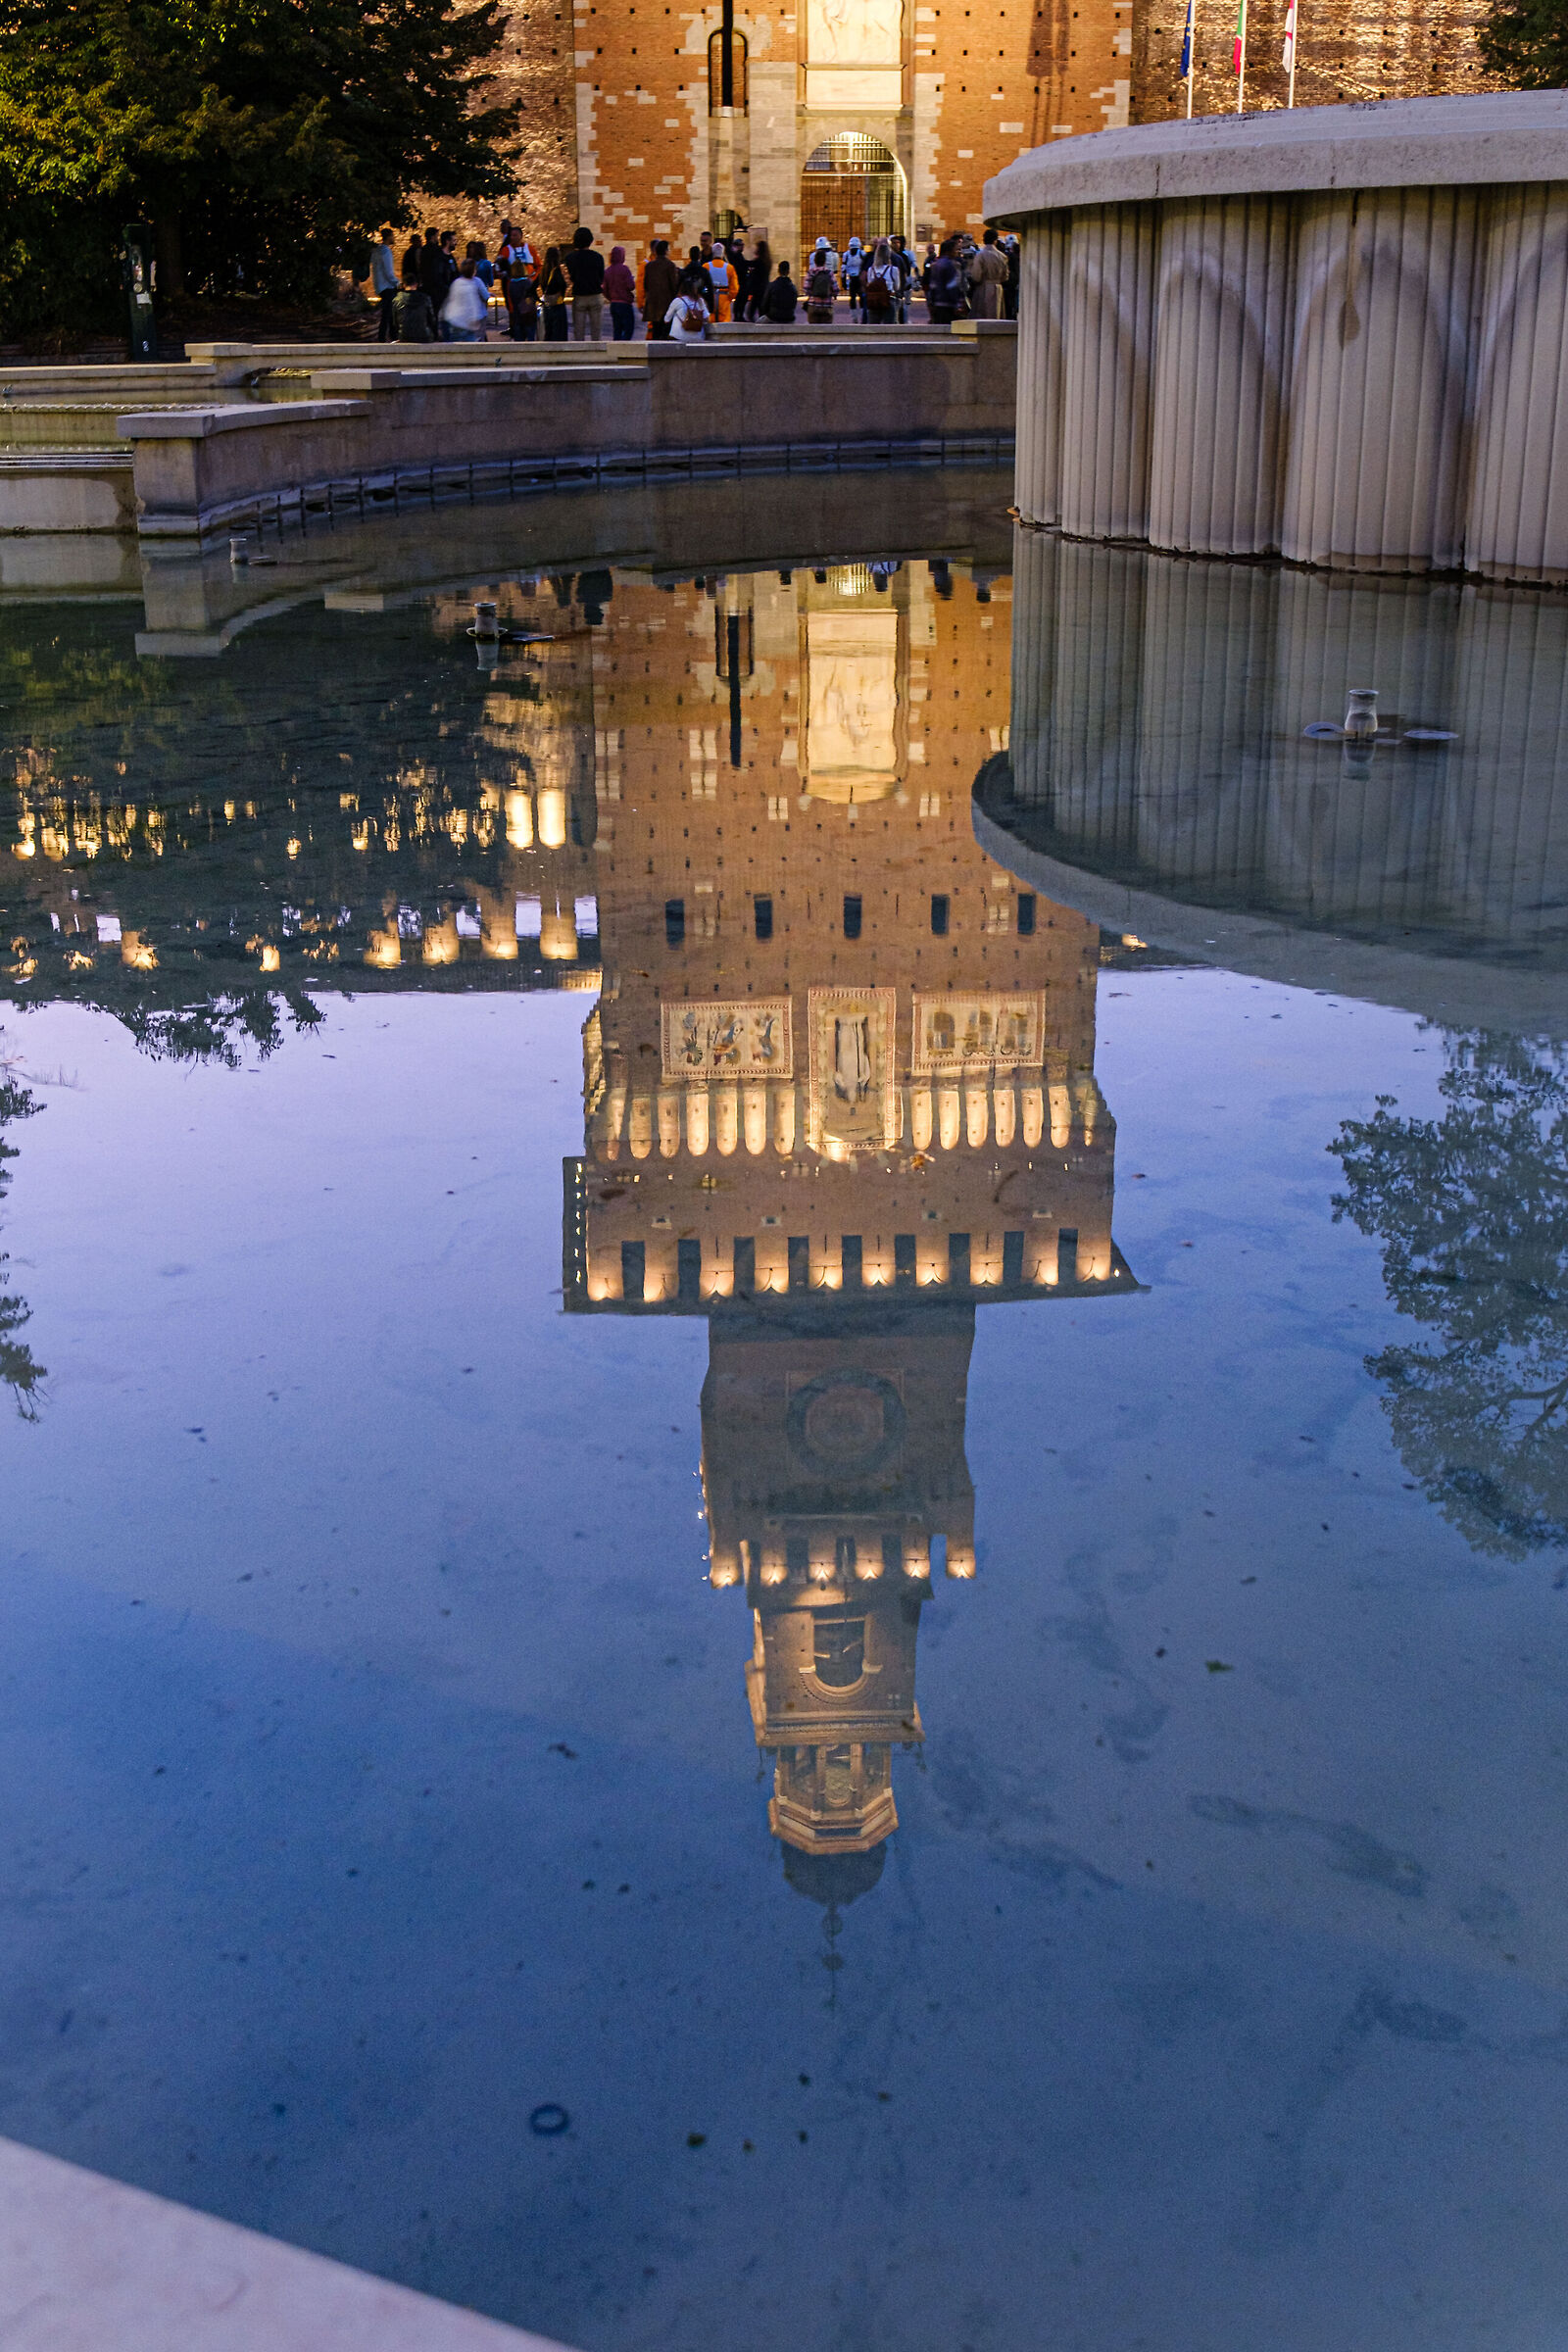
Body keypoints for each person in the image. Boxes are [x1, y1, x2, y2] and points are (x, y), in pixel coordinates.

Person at [564, 225, 607, 339]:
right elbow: (601, 276)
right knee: (596, 331)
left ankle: (580, 354)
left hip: (579, 294)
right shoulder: (598, 257)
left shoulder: (570, 258)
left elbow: (571, 277)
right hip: (595, 294)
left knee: (578, 331)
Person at [440, 258, 490, 342]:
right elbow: (477, 301)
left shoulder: (456, 282)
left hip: (455, 320)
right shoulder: (476, 282)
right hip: (468, 323)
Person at [639, 239, 681, 339]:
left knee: (655, 332)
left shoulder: (649, 266)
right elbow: (674, 285)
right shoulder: (670, 265)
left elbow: (645, 285)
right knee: (666, 332)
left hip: (653, 304)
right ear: (666, 251)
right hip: (667, 304)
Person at [967, 226, 1009, 319]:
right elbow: (1005, 277)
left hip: (983, 288)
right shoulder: (1002, 256)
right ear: (995, 240)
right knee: (996, 316)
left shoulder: (980, 255)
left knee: (983, 316)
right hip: (998, 287)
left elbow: (977, 276)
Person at [927, 236, 965, 324]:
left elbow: (932, 285)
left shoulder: (935, 264)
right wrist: (958, 303)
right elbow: (951, 285)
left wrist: (931, 302)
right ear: (949, 251)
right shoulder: (949, 265)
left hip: (937, 302)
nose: (957, 252)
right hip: (948, 303)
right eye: (956, 250)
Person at [861, 236, 900, 324]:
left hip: (874, 301)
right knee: (889, 326)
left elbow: (869, 283)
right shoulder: (893, 270)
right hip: (888, 299)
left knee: (873, 326)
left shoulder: (871, 270)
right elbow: (896, 287)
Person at [395, 264, 436, 343]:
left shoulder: (397, 299)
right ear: (416, 284)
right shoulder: (425, 298)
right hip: (424, 336)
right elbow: (431, 320)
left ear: (403, 285)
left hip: (404, 336)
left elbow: (395, 322)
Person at [370, 227, 399, 342]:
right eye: (392, 236)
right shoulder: (386, 251)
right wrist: (398, 283)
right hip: (388, 286)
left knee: (389, 314)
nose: (394, 238)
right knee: (388, 315)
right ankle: (383, 338)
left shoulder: (376, 251)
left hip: (380, 286)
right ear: (388, 237)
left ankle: (392, 337)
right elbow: (388, 272)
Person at [604, 244, 637, 339]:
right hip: (625, 304)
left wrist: (611, 298)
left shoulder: (607, 271)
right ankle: (624, 349)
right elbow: (631, 286)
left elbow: (604, 289)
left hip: (614, 304)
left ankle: (616, 349)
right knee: (628, 329)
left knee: (617, 329)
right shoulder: (625, 269)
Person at [506, 254, 540, 340]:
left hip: (517, 315)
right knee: (530, 338)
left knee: (519, 341)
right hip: (528, 315)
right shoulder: (527, 282)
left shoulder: (511, 284)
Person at [540, 245, 570, 340]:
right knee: (559, 333)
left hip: (547, 304)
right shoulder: (556, 271)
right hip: (557, 304)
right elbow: (562, 285)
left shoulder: (543, 271)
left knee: (548, 332)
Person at [705, 242, 739, 322]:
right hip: (724, 298)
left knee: (709, 321)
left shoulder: (706, 266)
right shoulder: (730, 268)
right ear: (723, 254)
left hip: (710, 298)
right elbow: (735, 288)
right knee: (724, 323)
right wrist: (729, 298)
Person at [805, 245, 837, 325]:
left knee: (813, 331)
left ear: (815, 260)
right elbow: (836, 289)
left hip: (813, 305)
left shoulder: (811, 272)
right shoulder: (829, 273)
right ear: (825, 261)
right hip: (827, 305)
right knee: (827, 331)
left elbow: (806, 289)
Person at [761, 257, 798, 324]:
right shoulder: (793, 287)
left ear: (779, 271)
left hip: (773, 316)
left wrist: (767, 313)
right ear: (788, 271)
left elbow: (765, 303)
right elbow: (794, 304)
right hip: (789, 316)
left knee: (758, 323)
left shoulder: (772, 285)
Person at [743, 237, 771, 321]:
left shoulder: (759, 262)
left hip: (758, 289)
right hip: (764, 288)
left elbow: (747, 263)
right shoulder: (766, 261)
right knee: (760, 310)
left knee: (752, 311)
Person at [890, 232, 914, 323]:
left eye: (898, 243)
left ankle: (902, 321)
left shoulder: (903, 256)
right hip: (891, 284)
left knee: (902, 305)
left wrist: (905, 283)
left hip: (900, 284)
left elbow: (906, 271)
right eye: (894, 243)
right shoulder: (889, 256)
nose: (897, 245)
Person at [843, 233, 863, 318]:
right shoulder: (862, 253)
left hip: (852, 278)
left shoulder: (846, 254)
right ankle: (862, 314)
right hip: (860, 278)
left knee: (852, 297)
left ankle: (854, 316)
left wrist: (843, 280)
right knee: (862, 297)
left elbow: (843, 268)